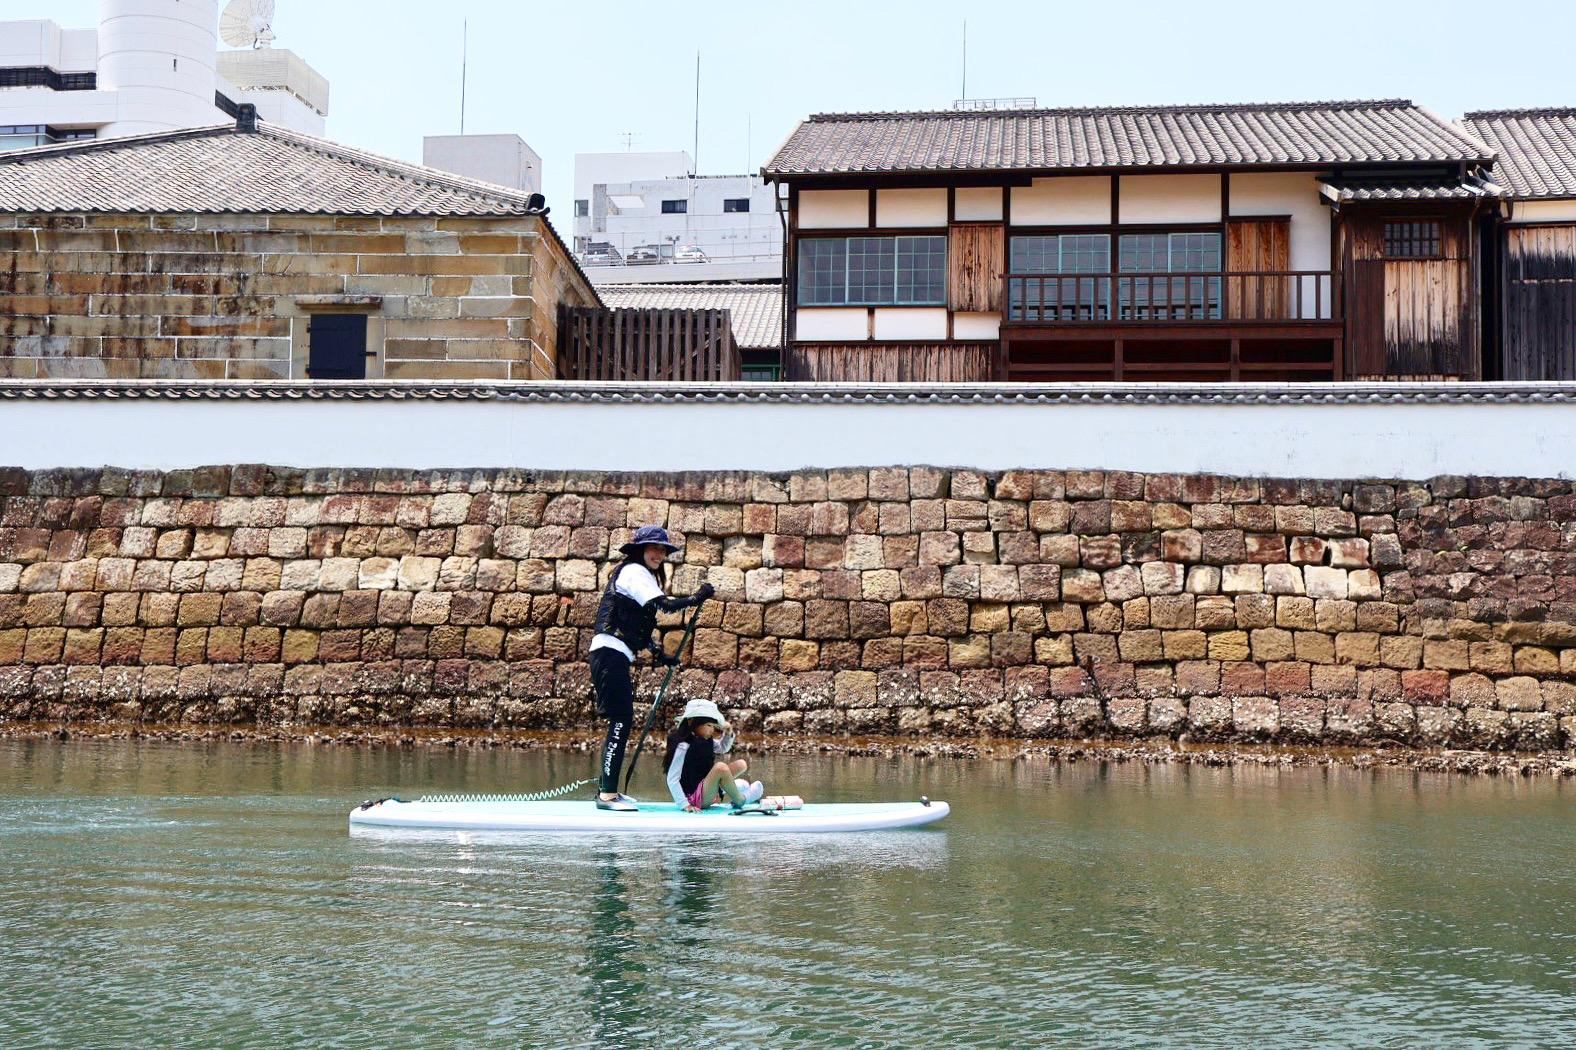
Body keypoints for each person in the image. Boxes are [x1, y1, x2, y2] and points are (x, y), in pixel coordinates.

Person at [590, 524, 714, 812]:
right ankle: (607, 795)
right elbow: (666, 606)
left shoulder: (640, 576)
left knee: (622, 720)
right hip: (609, 654)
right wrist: (697, 598)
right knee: (621, 720)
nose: (659, 554)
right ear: (640, 550)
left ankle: (608, 791)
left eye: (662, 550)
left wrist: (660, 654)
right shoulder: (633, 571)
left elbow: (638, 629)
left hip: (614, 654)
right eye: (654, 548)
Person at [663, 699, 764, 812]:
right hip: (693, 799)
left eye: (714, 726)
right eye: (709, 725)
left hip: (704, 788)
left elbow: (722, 748)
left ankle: (728, 791)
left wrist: (728, 733)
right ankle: (741, 800)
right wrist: (685, 805)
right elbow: (672, 779)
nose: (712, 730)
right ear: (692, 722)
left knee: (741, 764)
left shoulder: (704, 740)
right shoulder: (682, 746)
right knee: (720, 768)